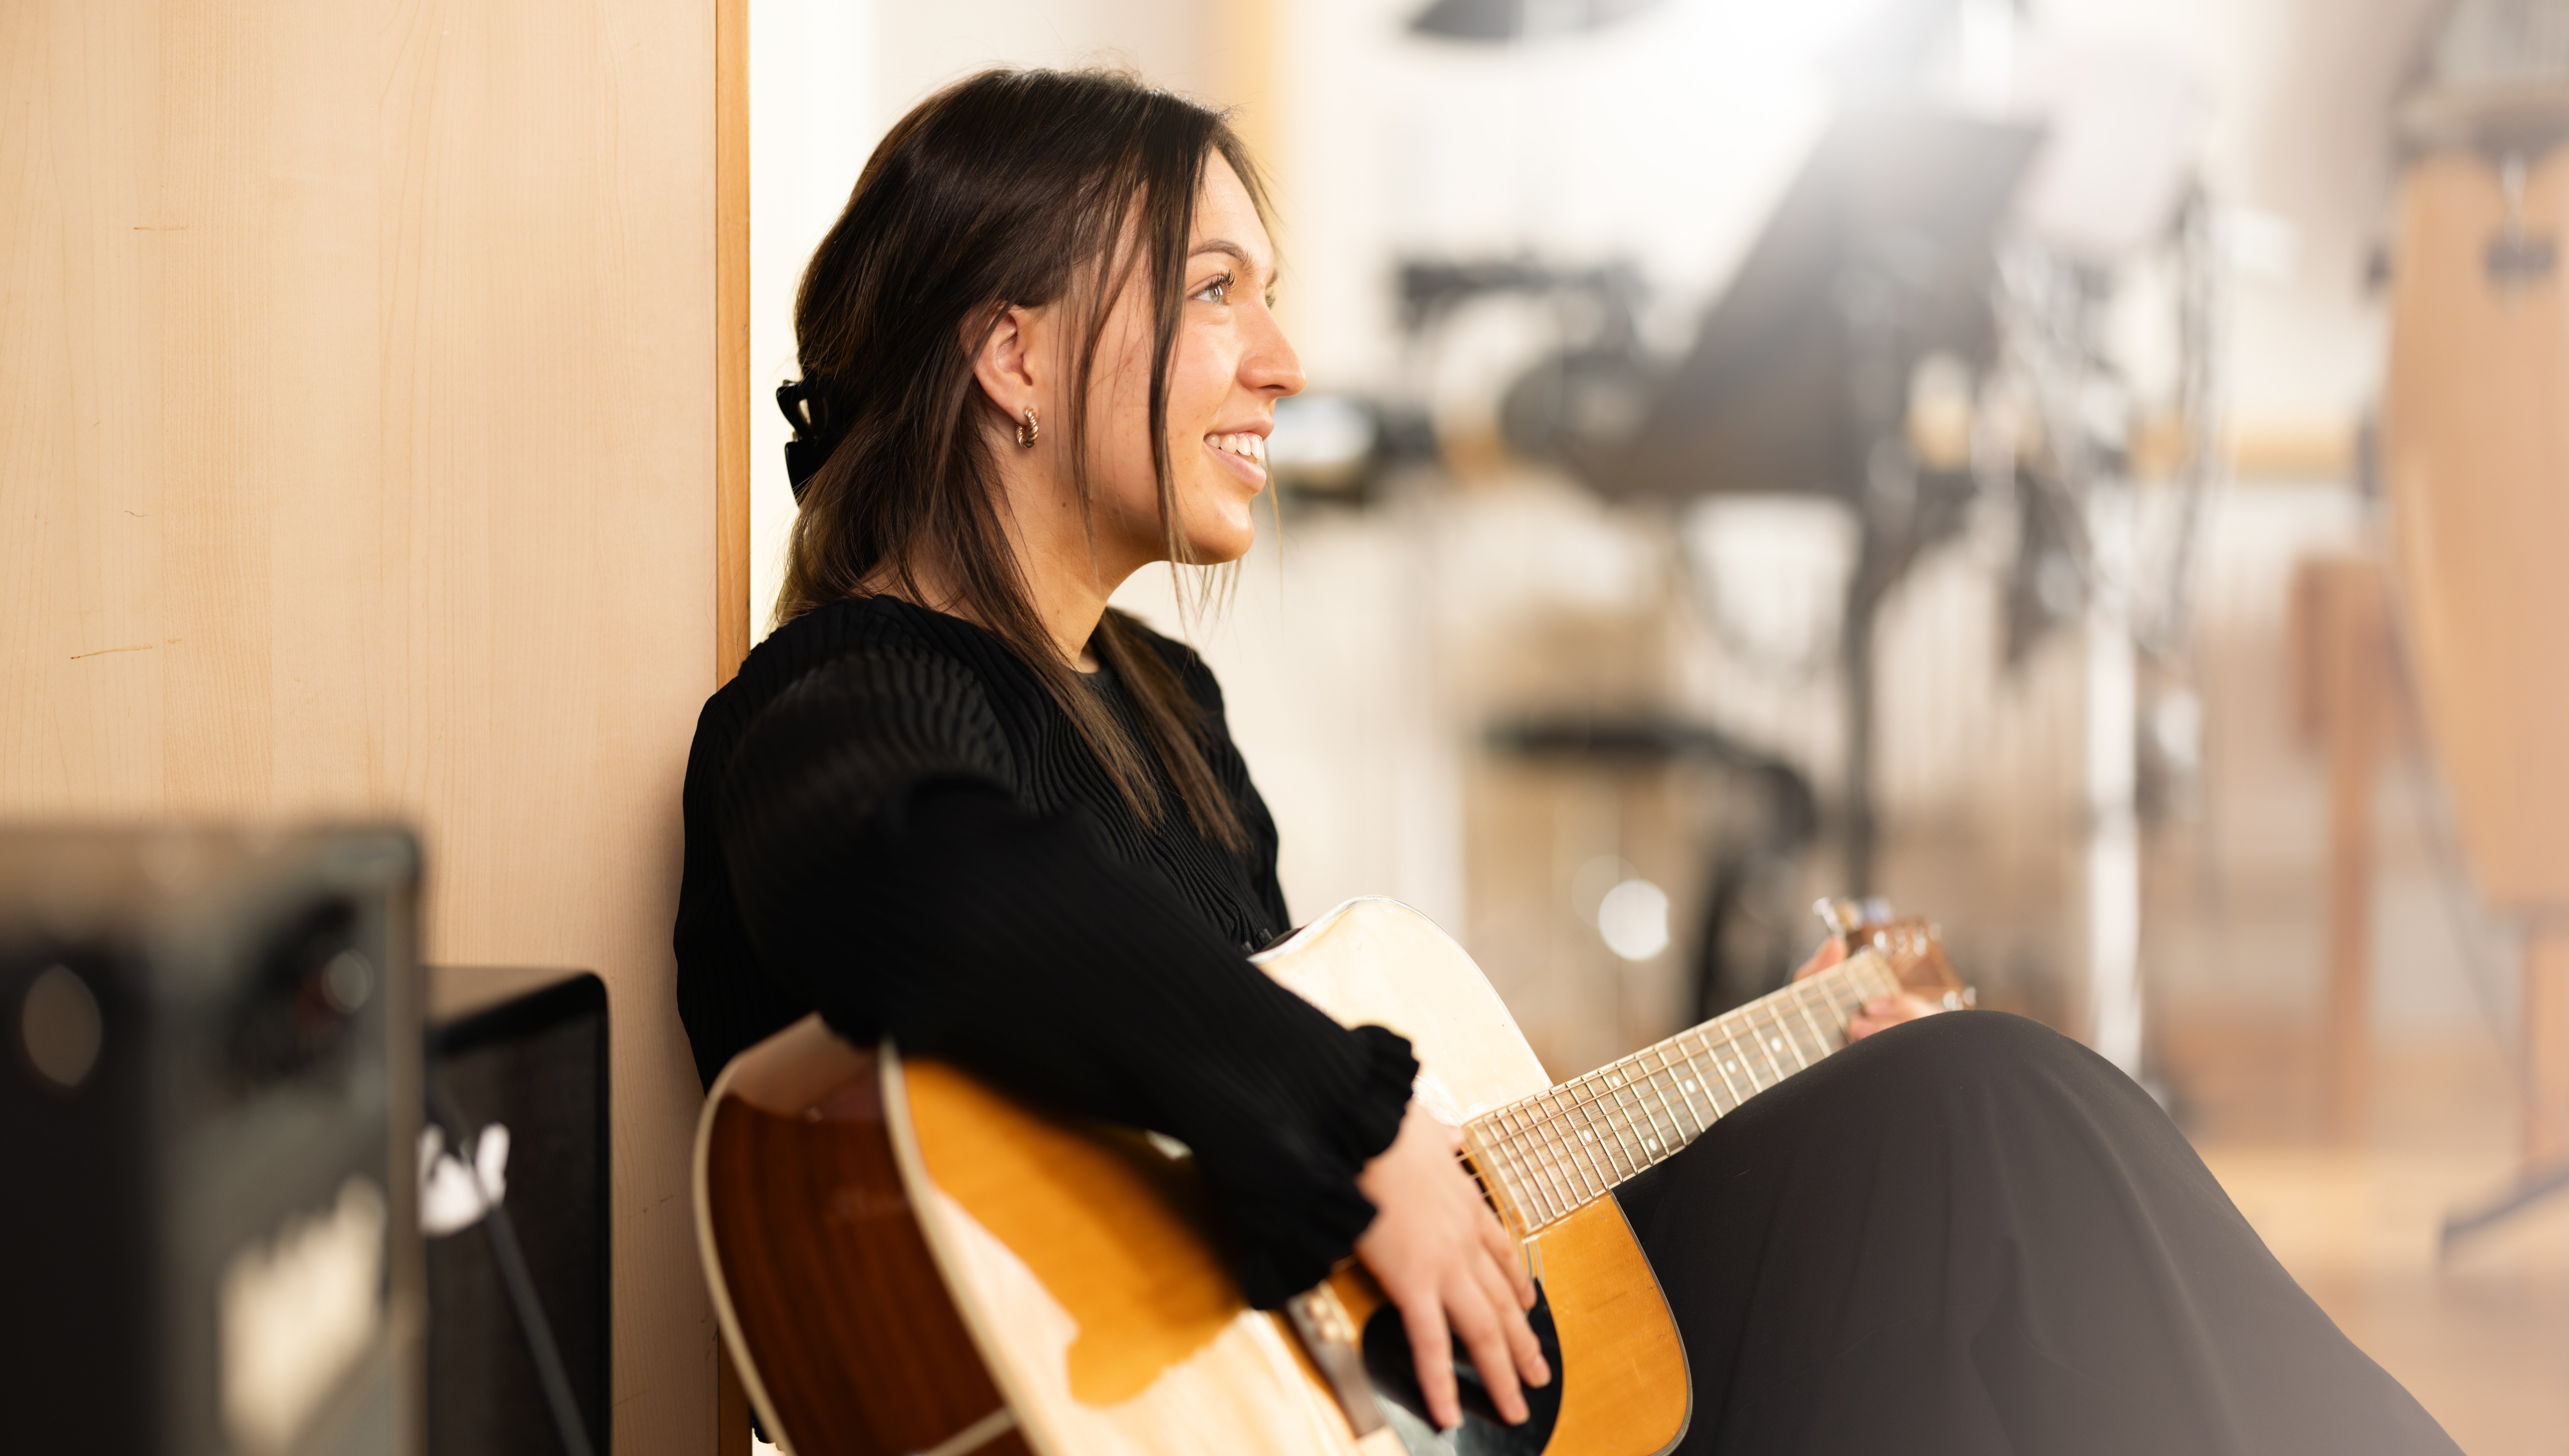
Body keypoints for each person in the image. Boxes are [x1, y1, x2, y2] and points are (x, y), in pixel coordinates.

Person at [676, 67, 2460, 1455]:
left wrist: (1775, 1064)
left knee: (1979, 1100)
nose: (1286, 361)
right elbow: (940, 883)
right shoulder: (842, 701)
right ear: (1014, 355)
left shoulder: (1162, 715)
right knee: (1990, 1148)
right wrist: (1358, 1136)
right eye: (1218, 288)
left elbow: (1298, 1217)